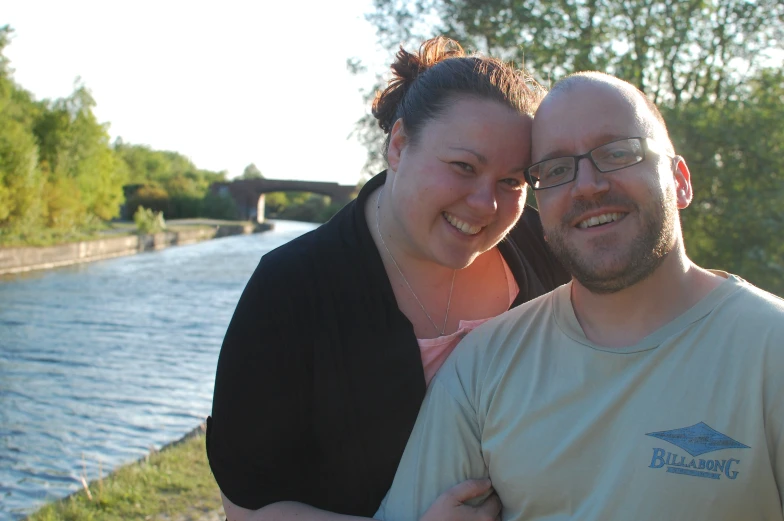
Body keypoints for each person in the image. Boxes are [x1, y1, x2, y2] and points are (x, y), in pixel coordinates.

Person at [375, 71, 784, 521]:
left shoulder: (771, 350)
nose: (586, 185)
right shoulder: (480, 367)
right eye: (555, 169)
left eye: (618, 152)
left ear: (680, 180)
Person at [206, 36, 570, 521]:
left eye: (513, 182)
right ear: (398, 145)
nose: (486, 204)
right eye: (463, 166)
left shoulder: (549, 253)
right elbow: (249, 506)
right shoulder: (292, 288)